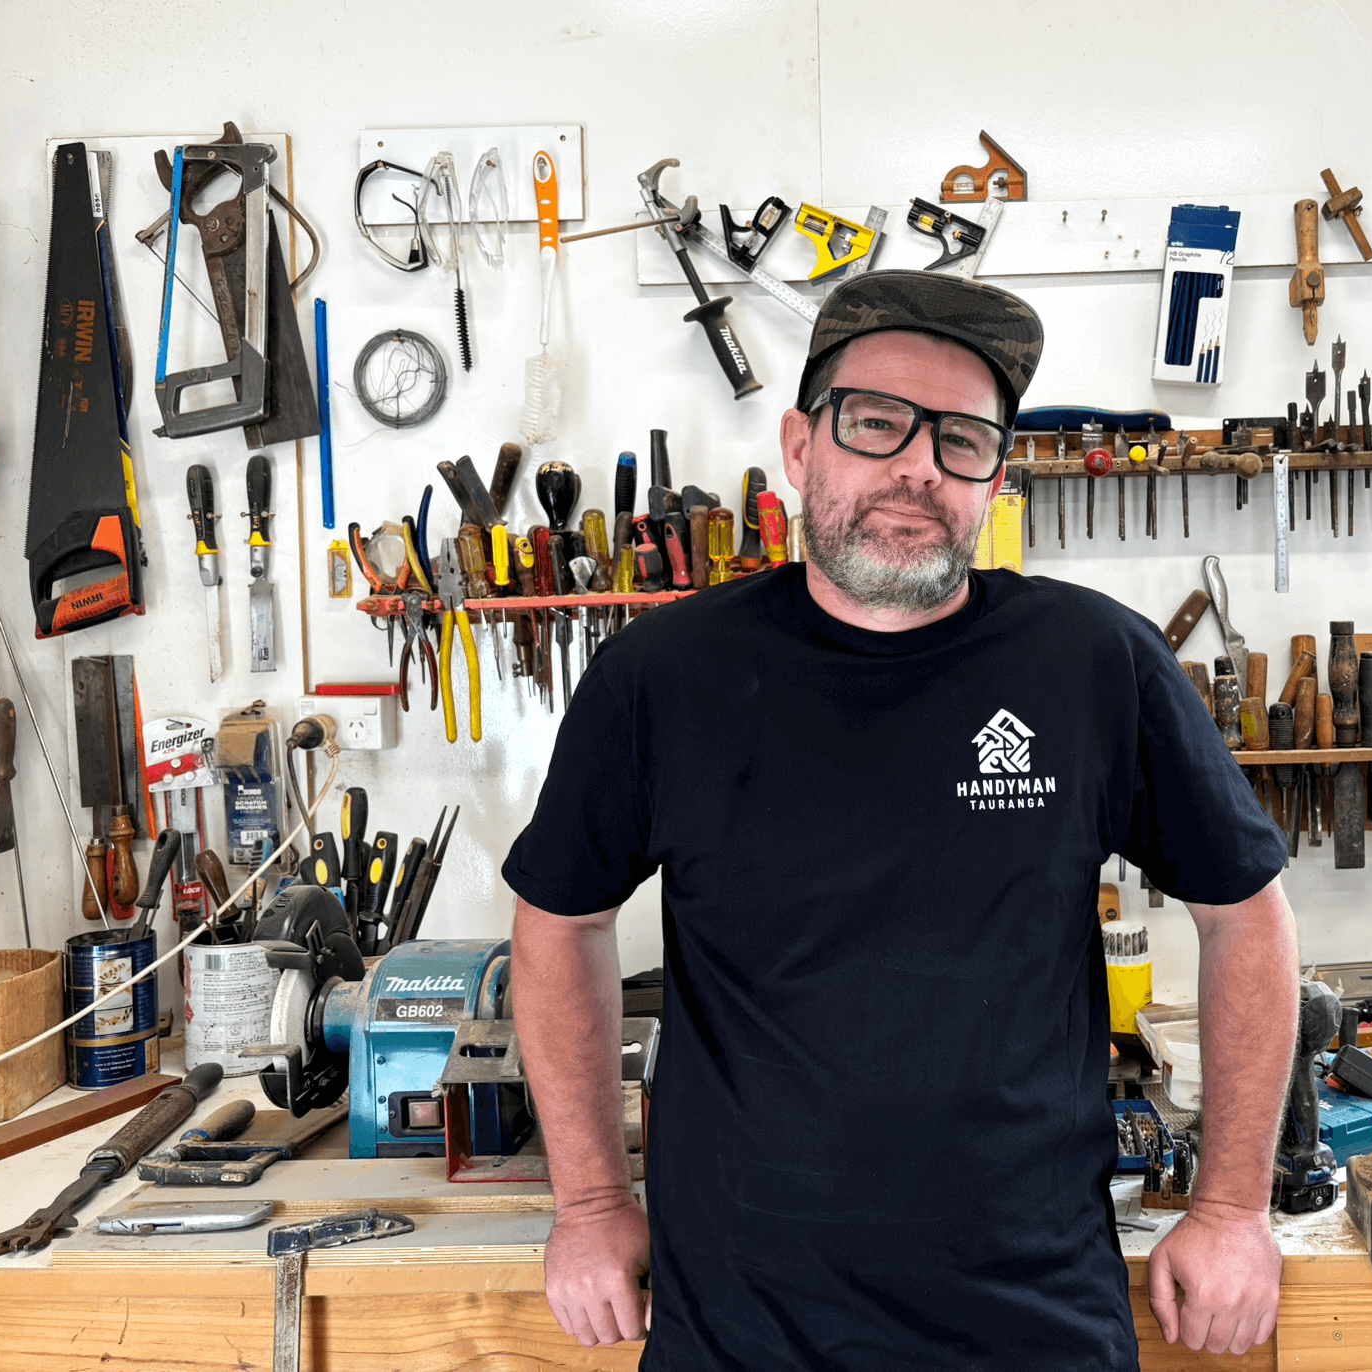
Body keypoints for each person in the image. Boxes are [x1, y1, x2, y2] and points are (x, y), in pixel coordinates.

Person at [504, 269, 1300, 1370]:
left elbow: (1245, 914)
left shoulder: (1095, 664)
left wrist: (1229, 1205)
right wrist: (590, 1201)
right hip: (743, 1326)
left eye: (961, 439)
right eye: (875, 423)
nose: (916, 467)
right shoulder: (661, 678)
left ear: (992, 479)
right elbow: (558, 920)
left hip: (1033, 1323)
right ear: (799, 446)